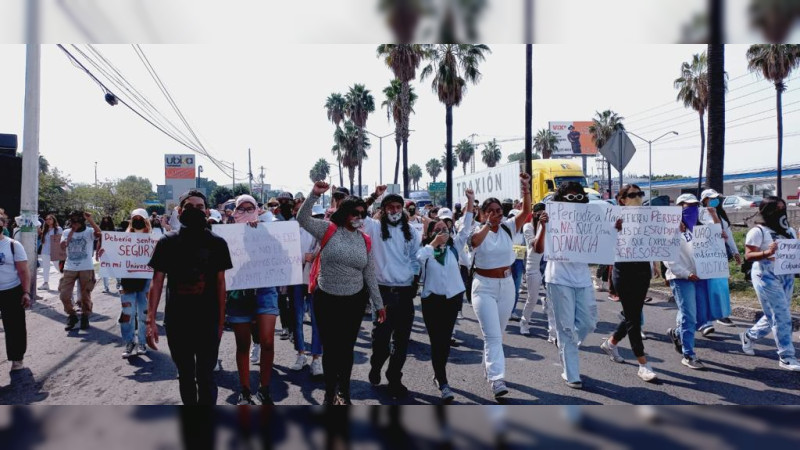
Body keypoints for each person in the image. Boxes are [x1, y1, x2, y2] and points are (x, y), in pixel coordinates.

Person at [296, 181, 385, 405]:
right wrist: (314, 194)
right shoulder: (328, 229)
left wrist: (378, 303)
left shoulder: (364, 239)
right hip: (326, 299)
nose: (359, 217)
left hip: (354, 301)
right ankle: (329, 392)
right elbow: (302, 219)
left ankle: (343, 392)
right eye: (355, 213)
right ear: (344, 213)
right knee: (331, 349)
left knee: (346, 350)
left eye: (363, 214)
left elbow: (369, 273)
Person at [146, 190, 233, 405]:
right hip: (177, 321)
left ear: (206, 211)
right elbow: (156, 282)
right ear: (179, 210)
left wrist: (221, 321)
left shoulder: (218, 243)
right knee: (185, 376)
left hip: (208, 320)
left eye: (200, 207)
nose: (195, 210)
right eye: (189, 206)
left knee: (205, 377)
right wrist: (150, 321)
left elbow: (221, 284)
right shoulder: (167, 242)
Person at [469, 173, 531, 399]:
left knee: (498, 333)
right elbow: (474, 242)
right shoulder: (476, 230)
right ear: (483, 214)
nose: (496, 214)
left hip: (506, 286)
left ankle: (489, 367)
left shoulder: (508, 227)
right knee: (493, 336)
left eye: (498, 210)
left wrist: (525, 187)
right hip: (483, 286)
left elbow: (526, 211)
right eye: (491, 211)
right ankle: (497, 380)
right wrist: (487, 224)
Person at [535, 182, 598, 389]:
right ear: (561, 201)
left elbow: (603, 246)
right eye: (569, 198)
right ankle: (571, 373)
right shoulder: (550, 218)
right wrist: (543, 226)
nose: (574, 202)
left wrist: (613, 230)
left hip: (582, 278)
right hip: (559, 278)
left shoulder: (591, 218)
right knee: (566, 327)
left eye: (578, 197)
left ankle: (566, 345)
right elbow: (538, 248)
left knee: (588, 322)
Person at [363, 186, 421, 399]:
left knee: (402, 341)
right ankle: (376, 365)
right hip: (382, 293)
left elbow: (416, 258)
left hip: (405, 292)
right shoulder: (375, 228)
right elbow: (359, 213)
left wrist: (415, 279)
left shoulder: (412, 232)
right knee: (381, 340)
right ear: (384, 209)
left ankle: (394, 377)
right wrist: (373, 197)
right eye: (390, 207)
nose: (395, 211)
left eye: (398, 207)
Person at [417, 189, 474, 403]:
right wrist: (432, 244)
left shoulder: (454, 247)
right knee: (436, 341)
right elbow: (418, 260)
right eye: (438, 228)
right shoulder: (427, 250)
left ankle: (439, 375)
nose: (443, 231)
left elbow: (467, 226)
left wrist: (469, 201)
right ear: (431, 233)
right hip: (432, 301)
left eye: (445, 227)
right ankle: (442, 381)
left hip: (452, 300)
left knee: (445, 341)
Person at [598, 184, 659, 382]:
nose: (638, 198)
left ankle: (612, 342)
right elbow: (603, 246)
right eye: (633, 195)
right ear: (622, 199)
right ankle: (643, 363)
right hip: (623, 271)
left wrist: (655, 262)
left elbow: (654, 239)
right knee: (633, 316)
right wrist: (615, 230)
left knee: (633, 314)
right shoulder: (614, 218)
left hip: (642, 270)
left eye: (640, 194)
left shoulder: (648, 216)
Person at [223, 194, 280, 405]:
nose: (246, 212)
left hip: (265, 289)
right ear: (235, 211)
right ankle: (245, 390)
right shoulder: (226, 233)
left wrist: (262, 233)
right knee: (243, 344)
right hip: (239, 292)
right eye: (242, 208)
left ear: (257, 209)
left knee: (266, 341)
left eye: (250, 208)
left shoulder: (268, 230)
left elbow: (281, 254)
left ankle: (264, 389)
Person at [740, 197, 800, 371]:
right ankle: (786, 356)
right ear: (767, 211)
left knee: (775, 313)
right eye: (776, 209)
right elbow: (749, 256)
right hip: (766, 275)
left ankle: (748, 336)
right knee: (781, 315)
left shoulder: (789, 230)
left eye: (783, 208)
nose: (781, 212)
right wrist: (768, 252)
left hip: (786, 275)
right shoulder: (758, 231)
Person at [665, 193, 709, 370]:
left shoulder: (700, 228)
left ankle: (678, 333)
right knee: (689, 315)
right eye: (687, 206)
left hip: (701, 276)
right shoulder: (670, 230)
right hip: (682, 278)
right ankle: (688, 354)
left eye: (694, 206)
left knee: (702, 316)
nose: (691, 209)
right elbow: (668, 259)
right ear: (678, 208)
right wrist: (686, 274)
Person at [102, 209, 152, 358]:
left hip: (147, 280)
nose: (137, 220)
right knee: (127, 313)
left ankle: (142, 342)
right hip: (127, 280)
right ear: (131, 220)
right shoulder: (121, 239)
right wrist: (104, 254)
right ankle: (129, 342)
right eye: (135, 218)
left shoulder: (153, 239)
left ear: (146, 221)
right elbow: (112, 257)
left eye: (140, 218)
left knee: (144, 313)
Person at [698, 188, 740, 333]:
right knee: (705, 289)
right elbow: (714, 230)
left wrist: (735, 252)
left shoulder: (721, 215)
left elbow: (728, 235)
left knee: (720, 287)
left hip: (719, 257)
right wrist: (714, 216)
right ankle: (705, 322)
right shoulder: (699, 214)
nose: (715, 200)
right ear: (704, 200)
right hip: (703, 257)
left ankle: (720, 314)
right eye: (711, 198)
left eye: (716, 198)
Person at [290, 197, 324, 377]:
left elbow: (325, 249)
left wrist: (314, 256)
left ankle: (316, 358)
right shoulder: (287, 229)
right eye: (297, 209)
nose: (300, 212)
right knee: (296, 317)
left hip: (315, 279)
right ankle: (301, 354)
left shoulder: (319, 227)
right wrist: (303, 258)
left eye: (304, 209)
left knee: (317, 318)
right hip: (295, 279)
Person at [59, 211, 101, 331]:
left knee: (85, 295)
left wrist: (91, 220)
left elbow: (99, 234)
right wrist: (72, 230)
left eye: (78, 220)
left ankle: (85, 316)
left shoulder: (88, 231)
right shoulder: (66, 232)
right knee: (64, 295)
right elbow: (63, 245)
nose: (75, 223)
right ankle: (72, 315)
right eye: (73, 220)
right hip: (70, 267)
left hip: (86, 267)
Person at [519, 203, 555, 342]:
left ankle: (552, 333)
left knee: (552, 300)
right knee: (532, 298)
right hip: (533, 266)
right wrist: (542, 226)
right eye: (538, 213)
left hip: (547, 265)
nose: (541, 215)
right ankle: (524, 322)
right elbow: (537, 247)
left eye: (543, 212)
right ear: (533, 214)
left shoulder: (551, 226)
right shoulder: (528, 227)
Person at [0, 215, 31, 371]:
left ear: (4, 225)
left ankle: (17, 359)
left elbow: (24, 271)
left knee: (14, 327)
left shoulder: (13, 245)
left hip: (11, 291)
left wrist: (26, 292)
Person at [507, 207, 527, 322]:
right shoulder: (504, 231)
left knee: (515, 286)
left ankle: (512, 311)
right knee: (505, 286)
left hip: (518, 261)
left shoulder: (522, 231)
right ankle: (504, 310)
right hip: (506, 261)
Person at [37, 214, 62, 291]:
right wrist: (38, 227)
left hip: (54, 251)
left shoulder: (58, 229)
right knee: (46, 268)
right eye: (47, 219)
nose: (48, 220)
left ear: (54, 220)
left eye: (50, 219)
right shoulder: (45, 229)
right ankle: (45, 283)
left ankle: (66, 281)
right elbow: (41, 237)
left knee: (58, 267)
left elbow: (59, 241)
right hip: (45, 251)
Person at [98, 216, 117, 294]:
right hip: (102, 251)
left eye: (107, 219)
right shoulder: (100, 230)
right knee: (104, 269)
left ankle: (118, 284)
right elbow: (99, 241)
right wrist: (97, 252)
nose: (105, 220)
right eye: (104, 218)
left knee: (115, 268)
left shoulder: (113, 230)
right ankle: (106, 287)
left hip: (112, 251)